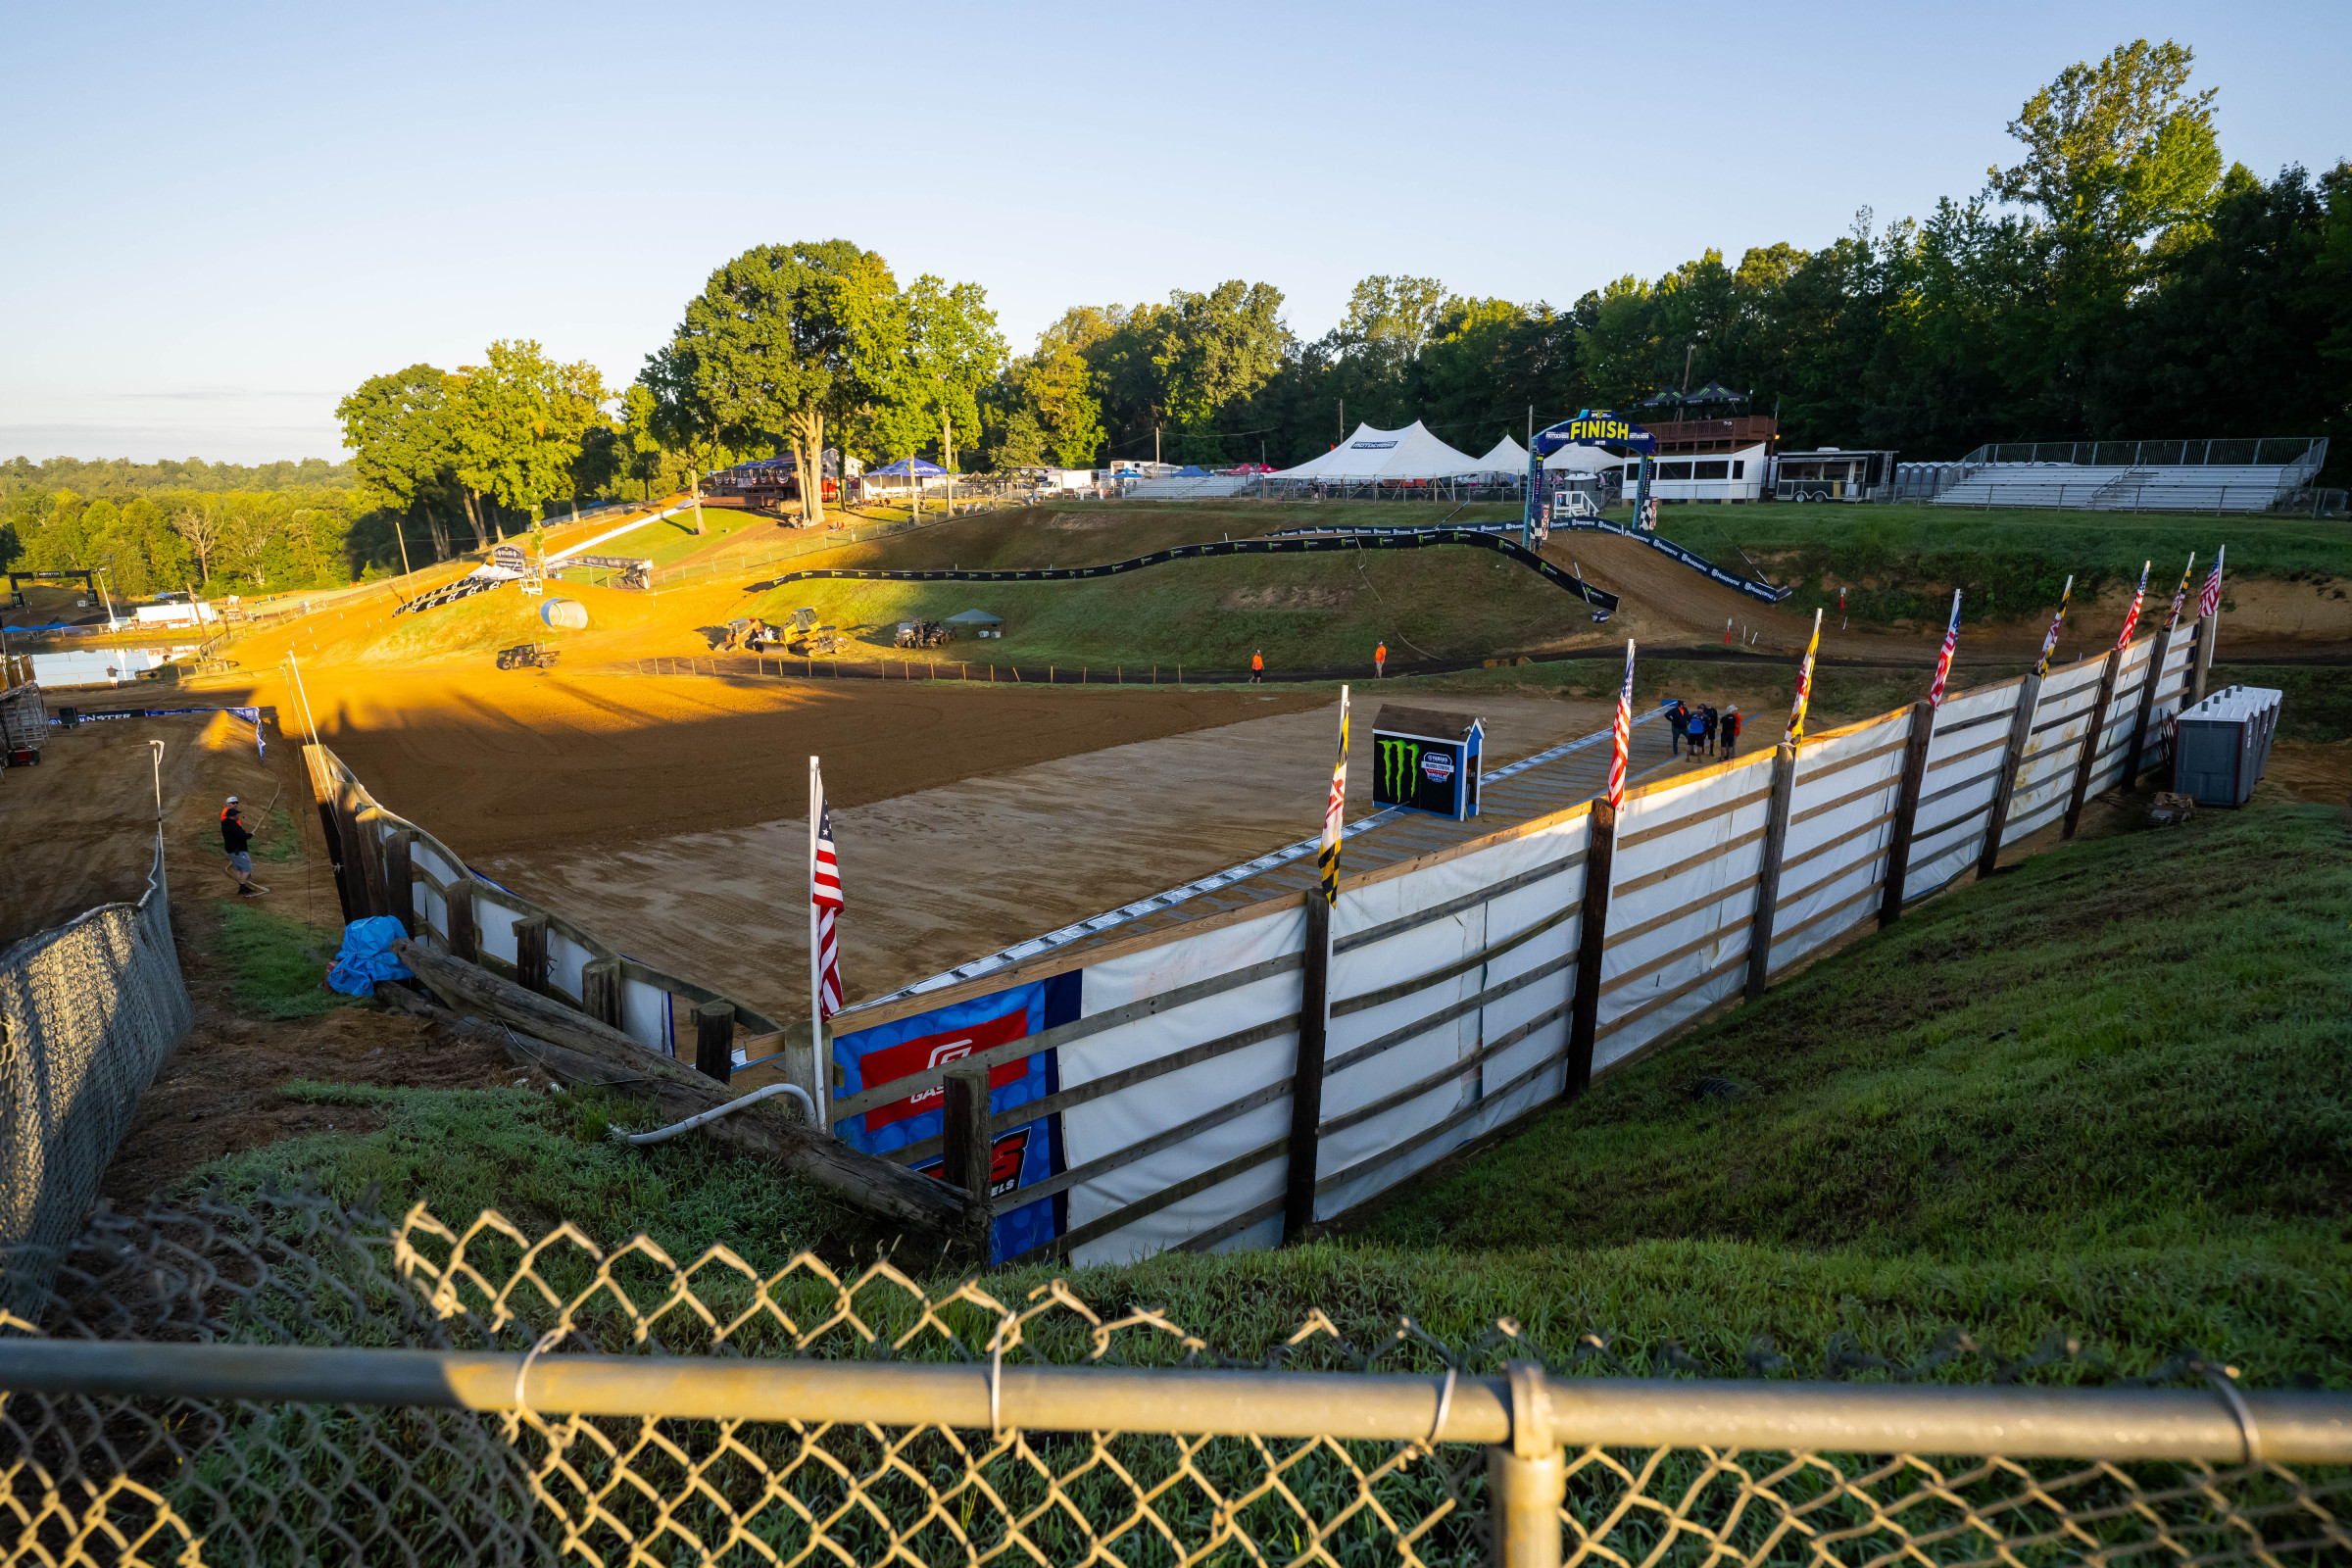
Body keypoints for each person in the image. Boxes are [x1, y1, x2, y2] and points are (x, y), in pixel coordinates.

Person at [220, 797, 265, 897]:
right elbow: (243, 836)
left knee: (239, 869)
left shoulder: (225, 824)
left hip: (232, 850)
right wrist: (250, 835)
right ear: (233, 816)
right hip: (238, 849)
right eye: (237, 814)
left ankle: (243, 886)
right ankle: (242, 887)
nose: (238, 815)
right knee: (247, 869)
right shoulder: (233, 825)